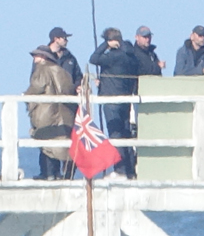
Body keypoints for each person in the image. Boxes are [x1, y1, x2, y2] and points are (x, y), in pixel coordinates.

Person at [88, 28, 142, 178]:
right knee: (125, 134)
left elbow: (93, 58)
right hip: (126, 98)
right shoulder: (131, 56)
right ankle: (130, 169)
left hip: (111, 98)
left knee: (115, 134)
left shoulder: (113, 56)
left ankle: (120, 170)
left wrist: (105, 46)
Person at [25, 45, 75, 180]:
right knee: (59, 145)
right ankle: (58, 174)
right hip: (64, 115)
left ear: (43, 57)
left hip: (46, 113)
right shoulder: (63, 72)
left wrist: (25, 96)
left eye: (36, 55)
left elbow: (36, 88)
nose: (34, 59)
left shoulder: (41, 70)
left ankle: (48, 174)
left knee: (45, 145)